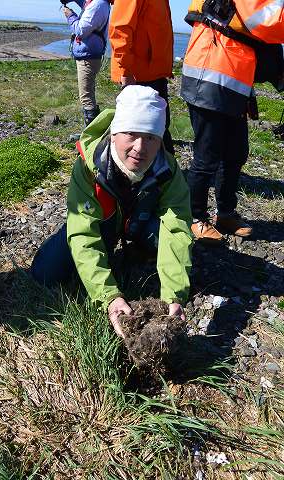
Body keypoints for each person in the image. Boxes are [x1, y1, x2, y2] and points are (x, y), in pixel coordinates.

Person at [31, 86, 193, 337]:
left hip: (140, 224)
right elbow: (84, 234)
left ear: (160, 140)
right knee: (45, 273)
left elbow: (177, 228)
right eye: (131, 133)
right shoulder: (88, 167)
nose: (140, 147)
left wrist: (174, 295)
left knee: (166, 239)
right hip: (100, 226)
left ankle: (139, 251)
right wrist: (109, 297)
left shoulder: (168, 171)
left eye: (151, 137)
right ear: (114, 133)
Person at [181, 0, 284, 244]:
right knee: (206, 158)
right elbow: (267, 21)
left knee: (236, 153)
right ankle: (194, 217)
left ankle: (225, 214)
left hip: (233, 78)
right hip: (210, 76)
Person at [108, 0, 175, 155]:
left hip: (153, 74)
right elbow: (120, 29)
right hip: (139, 76)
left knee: (159, 127)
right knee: (145, 131)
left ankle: (163, 174)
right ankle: (161, 175)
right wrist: (126, 70)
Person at [63, 0, 111, 128]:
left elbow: (80, 30)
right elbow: (86, 4)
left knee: (86, 97)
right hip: (89, 55)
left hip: (88, 56)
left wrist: (70, 16)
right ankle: (92, 131)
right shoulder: (98, 3)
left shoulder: (98, 4)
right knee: (88, 95)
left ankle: (91, 135)